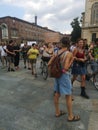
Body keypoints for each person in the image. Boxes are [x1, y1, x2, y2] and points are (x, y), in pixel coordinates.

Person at [48, 37, 80, 122]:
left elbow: (49, 63)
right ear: (68, 44)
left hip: (57, 76)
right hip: (64, 76)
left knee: (57, 93)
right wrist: (72, 61)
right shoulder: (68, 53)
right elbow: (66, 68)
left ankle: (57, 112)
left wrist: (57, 70)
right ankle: (70, 116)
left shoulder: (56, 52)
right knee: (68, 95)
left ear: (61, 43)